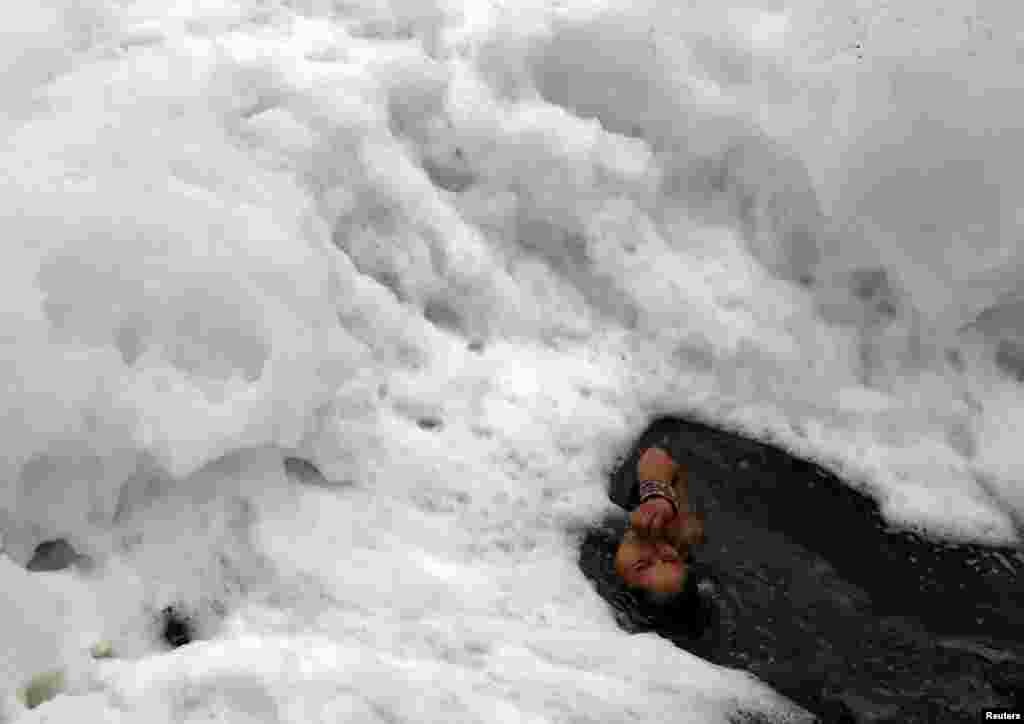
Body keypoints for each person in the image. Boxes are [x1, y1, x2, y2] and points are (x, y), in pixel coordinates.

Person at [611, 447, 706, 603]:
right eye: (669, 558)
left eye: (641, 565)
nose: (658, 548)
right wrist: (657, 496)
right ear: (682, 557)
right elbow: (655, 456)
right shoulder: (676, 531)